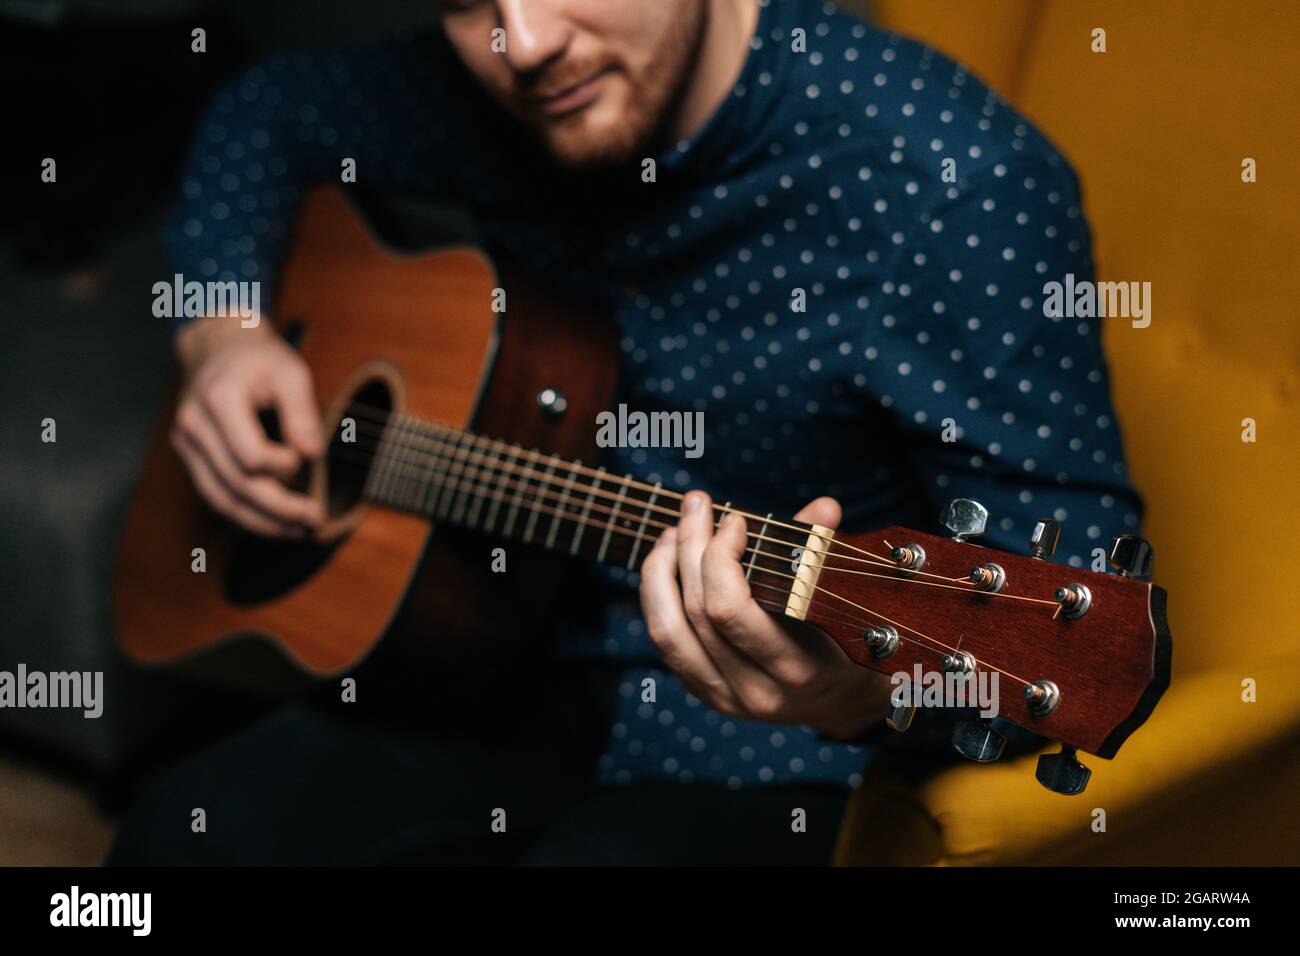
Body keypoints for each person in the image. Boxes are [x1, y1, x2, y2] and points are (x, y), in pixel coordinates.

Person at [110, 0, 1141, 865]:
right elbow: (263, 114)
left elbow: (1074, 618)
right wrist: (224, 329)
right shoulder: (484, 90)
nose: (525, 43)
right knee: (173, 838)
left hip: (769, 759)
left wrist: (863, 687)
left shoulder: (954, 183)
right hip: (483, 658)